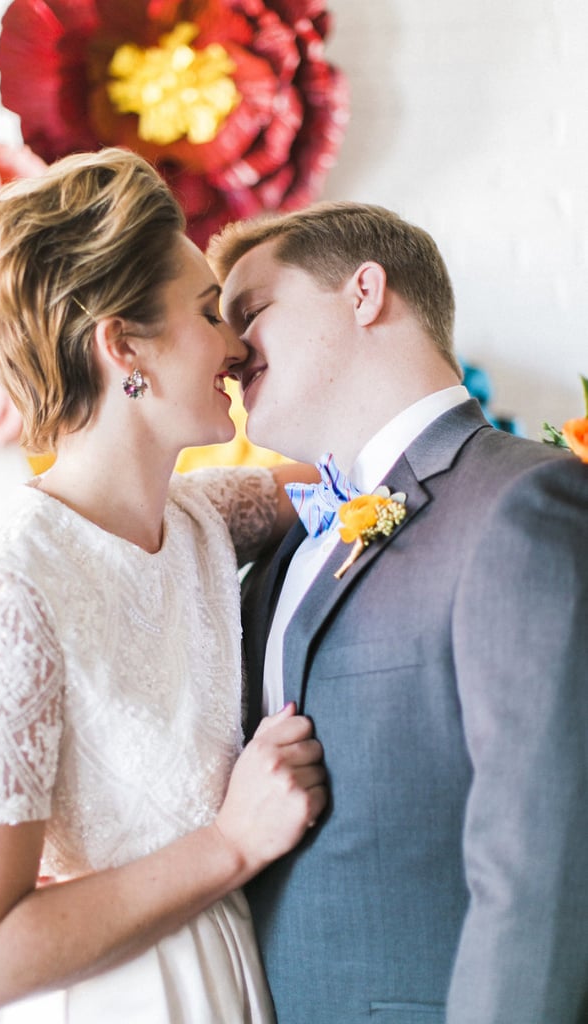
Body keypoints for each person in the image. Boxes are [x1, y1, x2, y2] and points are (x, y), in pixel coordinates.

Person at [0, 148, 327, 1024]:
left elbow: (345, 476)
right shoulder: (11, 591)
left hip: (231, 978)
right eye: (212, 312)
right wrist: (229, 843)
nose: (236, 344)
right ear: (123, 344)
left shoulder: (207, 519)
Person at [207, 201, 588, 1024]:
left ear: (364, 292)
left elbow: (544, 862)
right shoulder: (276, 554)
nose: (231, 353)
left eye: (252, 313)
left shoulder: (525, 502)